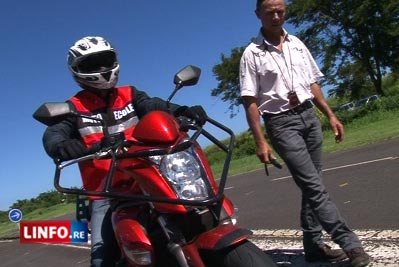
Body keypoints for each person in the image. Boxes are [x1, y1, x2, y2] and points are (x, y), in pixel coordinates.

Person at [41, 36, 207, 267]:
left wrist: (182, 111)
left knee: (205, 212)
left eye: (105, 61)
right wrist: (61, 145)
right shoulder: (72, 108)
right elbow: (54, 133)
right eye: (92, 64)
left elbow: (154, 105)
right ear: (77, 71)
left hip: (150, 177)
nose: (101, 69)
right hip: (107, 193)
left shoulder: (130, 94)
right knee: (102, 258)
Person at [239, 1, 370, 267]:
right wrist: (260, 140)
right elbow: (250, 100)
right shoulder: (252, 54)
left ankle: (313, 247)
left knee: (314, 185)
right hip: (281, 123)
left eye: (281, 11)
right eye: (270, 12)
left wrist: (330, 115)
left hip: (309, 116)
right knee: (314, 187)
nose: (276, 16)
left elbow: (312, 84)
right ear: (258, 15)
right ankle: (351, 244)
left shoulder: (297, 43)